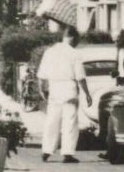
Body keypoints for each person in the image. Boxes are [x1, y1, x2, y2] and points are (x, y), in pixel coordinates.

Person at [37, 25, 89, 163]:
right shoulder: (74, 53)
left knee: (52, 121)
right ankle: (67, 153)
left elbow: (41, 75)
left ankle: (46, 151)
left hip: (54, 89)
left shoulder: (50, 51)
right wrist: (87, 94)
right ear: (73, 38)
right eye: (77, 39)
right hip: (69, 89)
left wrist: (42, 90)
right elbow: (80, 77)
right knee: (70, 122)